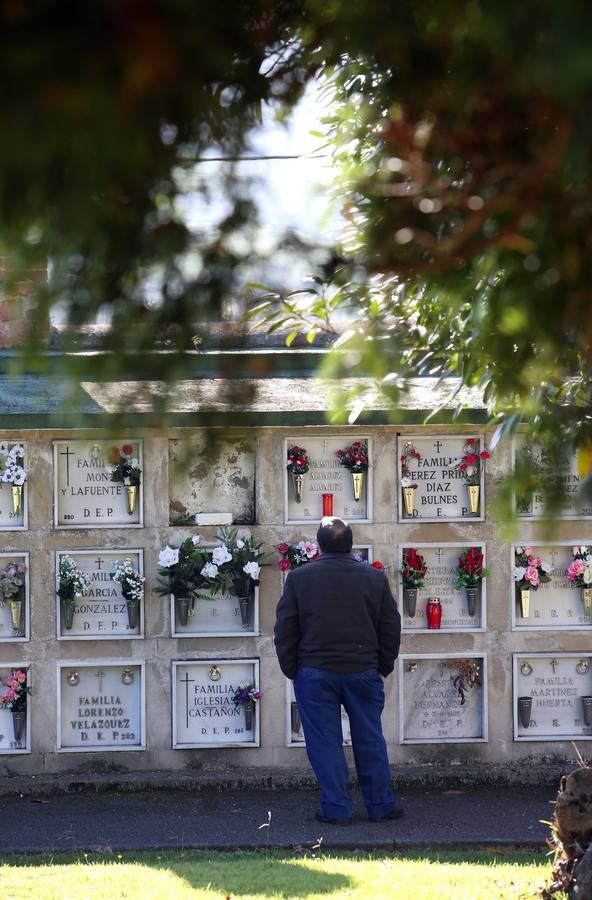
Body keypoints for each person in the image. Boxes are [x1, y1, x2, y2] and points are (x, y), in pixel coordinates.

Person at [274, 516, 402, 825]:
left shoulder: (300, 578)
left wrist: (294, 670)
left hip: (315, 672)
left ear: (318, 547)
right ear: (351, 546)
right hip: (362, 671)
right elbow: (390, 627)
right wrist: (382, 666)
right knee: (370, 737)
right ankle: (381, 805)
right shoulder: (373, 579)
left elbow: (286, 629)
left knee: (324, 742)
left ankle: (336, 807)